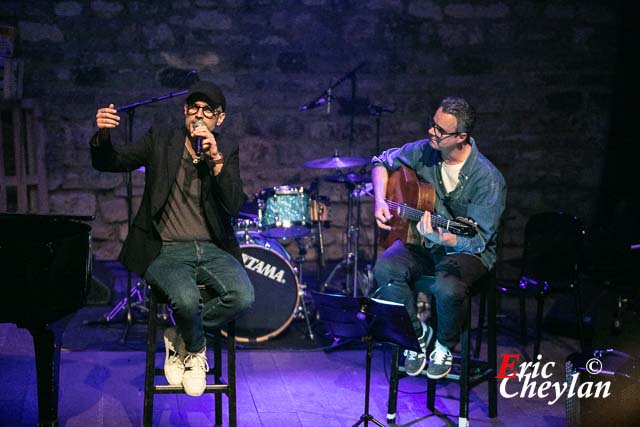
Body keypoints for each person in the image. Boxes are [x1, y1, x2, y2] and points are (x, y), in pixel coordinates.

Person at [90, 81, 255, 396]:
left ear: (220, 119)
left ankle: (181, 336)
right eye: (194, 107)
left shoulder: (226, 149)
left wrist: (216, 160)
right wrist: (102, 136)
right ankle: (194, 353)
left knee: (243, 296)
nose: (199, 115)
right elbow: (111, 162)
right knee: (186, 299)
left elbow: (234, 205)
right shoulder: (161, 140)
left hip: (212, 248)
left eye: (208, 111)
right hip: (165, 248)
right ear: (184, 112)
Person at [371, 96, 506, 378]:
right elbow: (381, 161)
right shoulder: (425, 152)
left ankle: (444, 346)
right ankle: (417, 335)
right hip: (425, 244)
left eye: (440, 131)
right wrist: (381, 202)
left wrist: (446, 239)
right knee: (385, 268)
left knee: (447, 288)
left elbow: (479, 239)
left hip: (469, 253)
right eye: (432, 124)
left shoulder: (487, 179)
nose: (432, 132)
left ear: (461, 137)